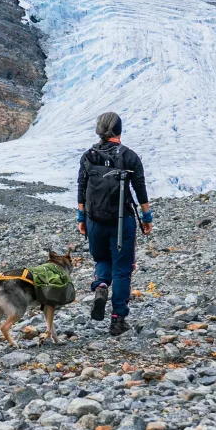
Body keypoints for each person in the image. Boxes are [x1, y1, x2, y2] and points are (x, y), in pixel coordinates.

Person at [76, 112, 151, 336]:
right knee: (122, 270)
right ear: (119, 130)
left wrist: (82, 219)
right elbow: (139, 188)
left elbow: (81, 188)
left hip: (94, 220)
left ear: (99, 130)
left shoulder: (88, 156)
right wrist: (147, 218)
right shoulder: (129, 156)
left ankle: (100, 286)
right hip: (122, 221)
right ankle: (117, 320)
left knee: (101, 259)